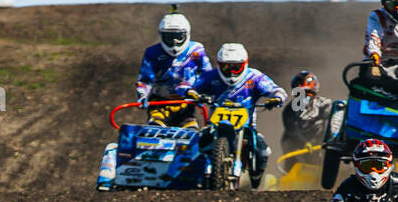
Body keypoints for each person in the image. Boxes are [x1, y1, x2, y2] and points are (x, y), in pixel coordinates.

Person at [181, 43, 287, 187]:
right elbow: (186, 85)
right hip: (216, 124)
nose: (231, 72)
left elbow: (276, 89)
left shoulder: (254, 77)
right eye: (226, 67)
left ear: (244, 64)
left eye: (235, 67)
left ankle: (256, 178)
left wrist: (276, 98)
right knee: (196, 143)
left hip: (247, 126)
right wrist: (192, 93)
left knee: (263, 151)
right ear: (219, 65)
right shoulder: (211, 76)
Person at [136, 12, 213, 127]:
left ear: (186, 34)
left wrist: (201, 93)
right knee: (155, 129)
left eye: (178, 37)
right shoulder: (152, 53)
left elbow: (207, 76)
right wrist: (142, 95)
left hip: (186, 103)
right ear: (162, 36)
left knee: (191, 132)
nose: (174, 42)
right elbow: (145, 79)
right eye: (169, 37)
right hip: (160, 103)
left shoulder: (196, 50)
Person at [280, 70, 334, 159]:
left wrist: (323, 142)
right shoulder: (289, 109)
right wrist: (304, 142)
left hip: (321, 145)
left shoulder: (325, 104)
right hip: (297, 146)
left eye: (308, 93)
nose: (305, 97)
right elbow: (291, 129)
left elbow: (330, 124)